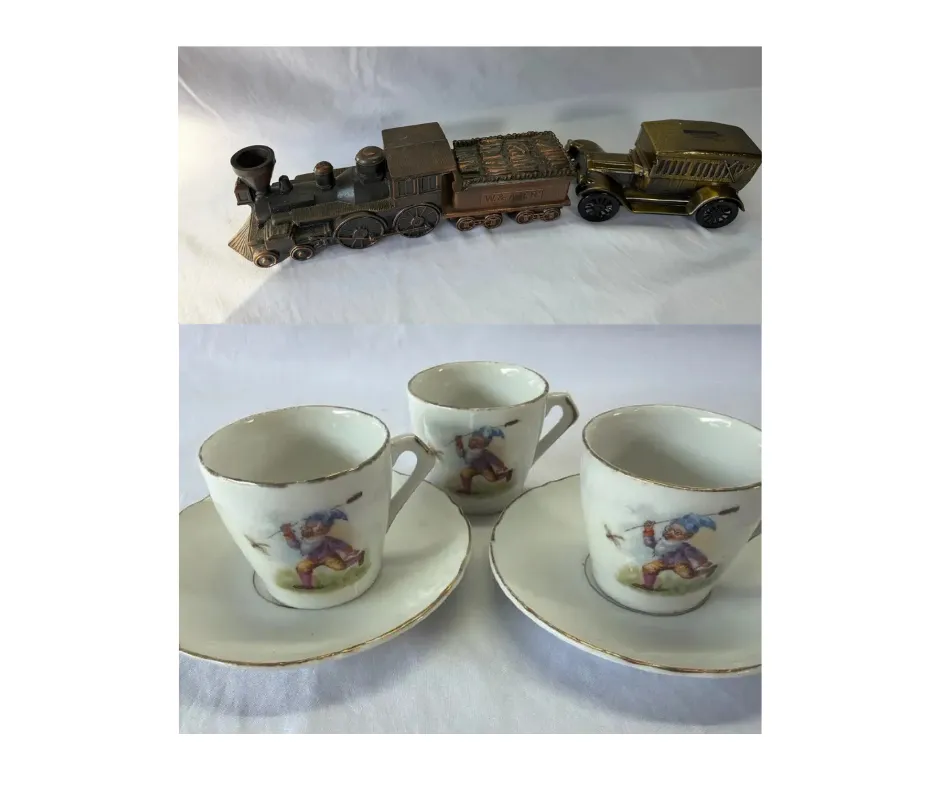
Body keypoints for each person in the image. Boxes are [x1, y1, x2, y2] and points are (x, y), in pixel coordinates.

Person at [280, 508, 364, 589]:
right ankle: (307, 586)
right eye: (308, 527)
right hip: (312, 559)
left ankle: (357, 557)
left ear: (324, 530)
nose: (309, 529)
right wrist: (288, 533)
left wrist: (350, 551)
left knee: (340, 566)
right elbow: (296, 546)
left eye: (314, 527)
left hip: (328, 557)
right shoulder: (306, 541)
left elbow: (340, 544)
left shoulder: (326, 540)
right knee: (302, 567)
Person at [641, 513, 717, 590]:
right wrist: (648, 531)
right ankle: (648, 586)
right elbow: (650, 543)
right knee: (648, 568)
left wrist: (703, 562)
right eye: (670, 529)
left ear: (686, 536)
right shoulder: (661, 542)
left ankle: (701, 572)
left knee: (686, 573)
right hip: (663, 561)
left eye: (677, 533)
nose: (671, 533)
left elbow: (694, 554)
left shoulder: (683, 546)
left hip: (679, 563)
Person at [454, 427, 513, 494]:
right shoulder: (468, 451)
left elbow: (495, 460)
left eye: (477, 441)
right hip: (473, 468)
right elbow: (461, 454)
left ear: (483, 444)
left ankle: (506, 474)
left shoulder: (484, 453)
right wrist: (459, 442)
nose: (473, 442)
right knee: (465, 473)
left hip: (484, 469)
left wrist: (502, 467)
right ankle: (466, 489)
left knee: (492, 479)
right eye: (472, 439)